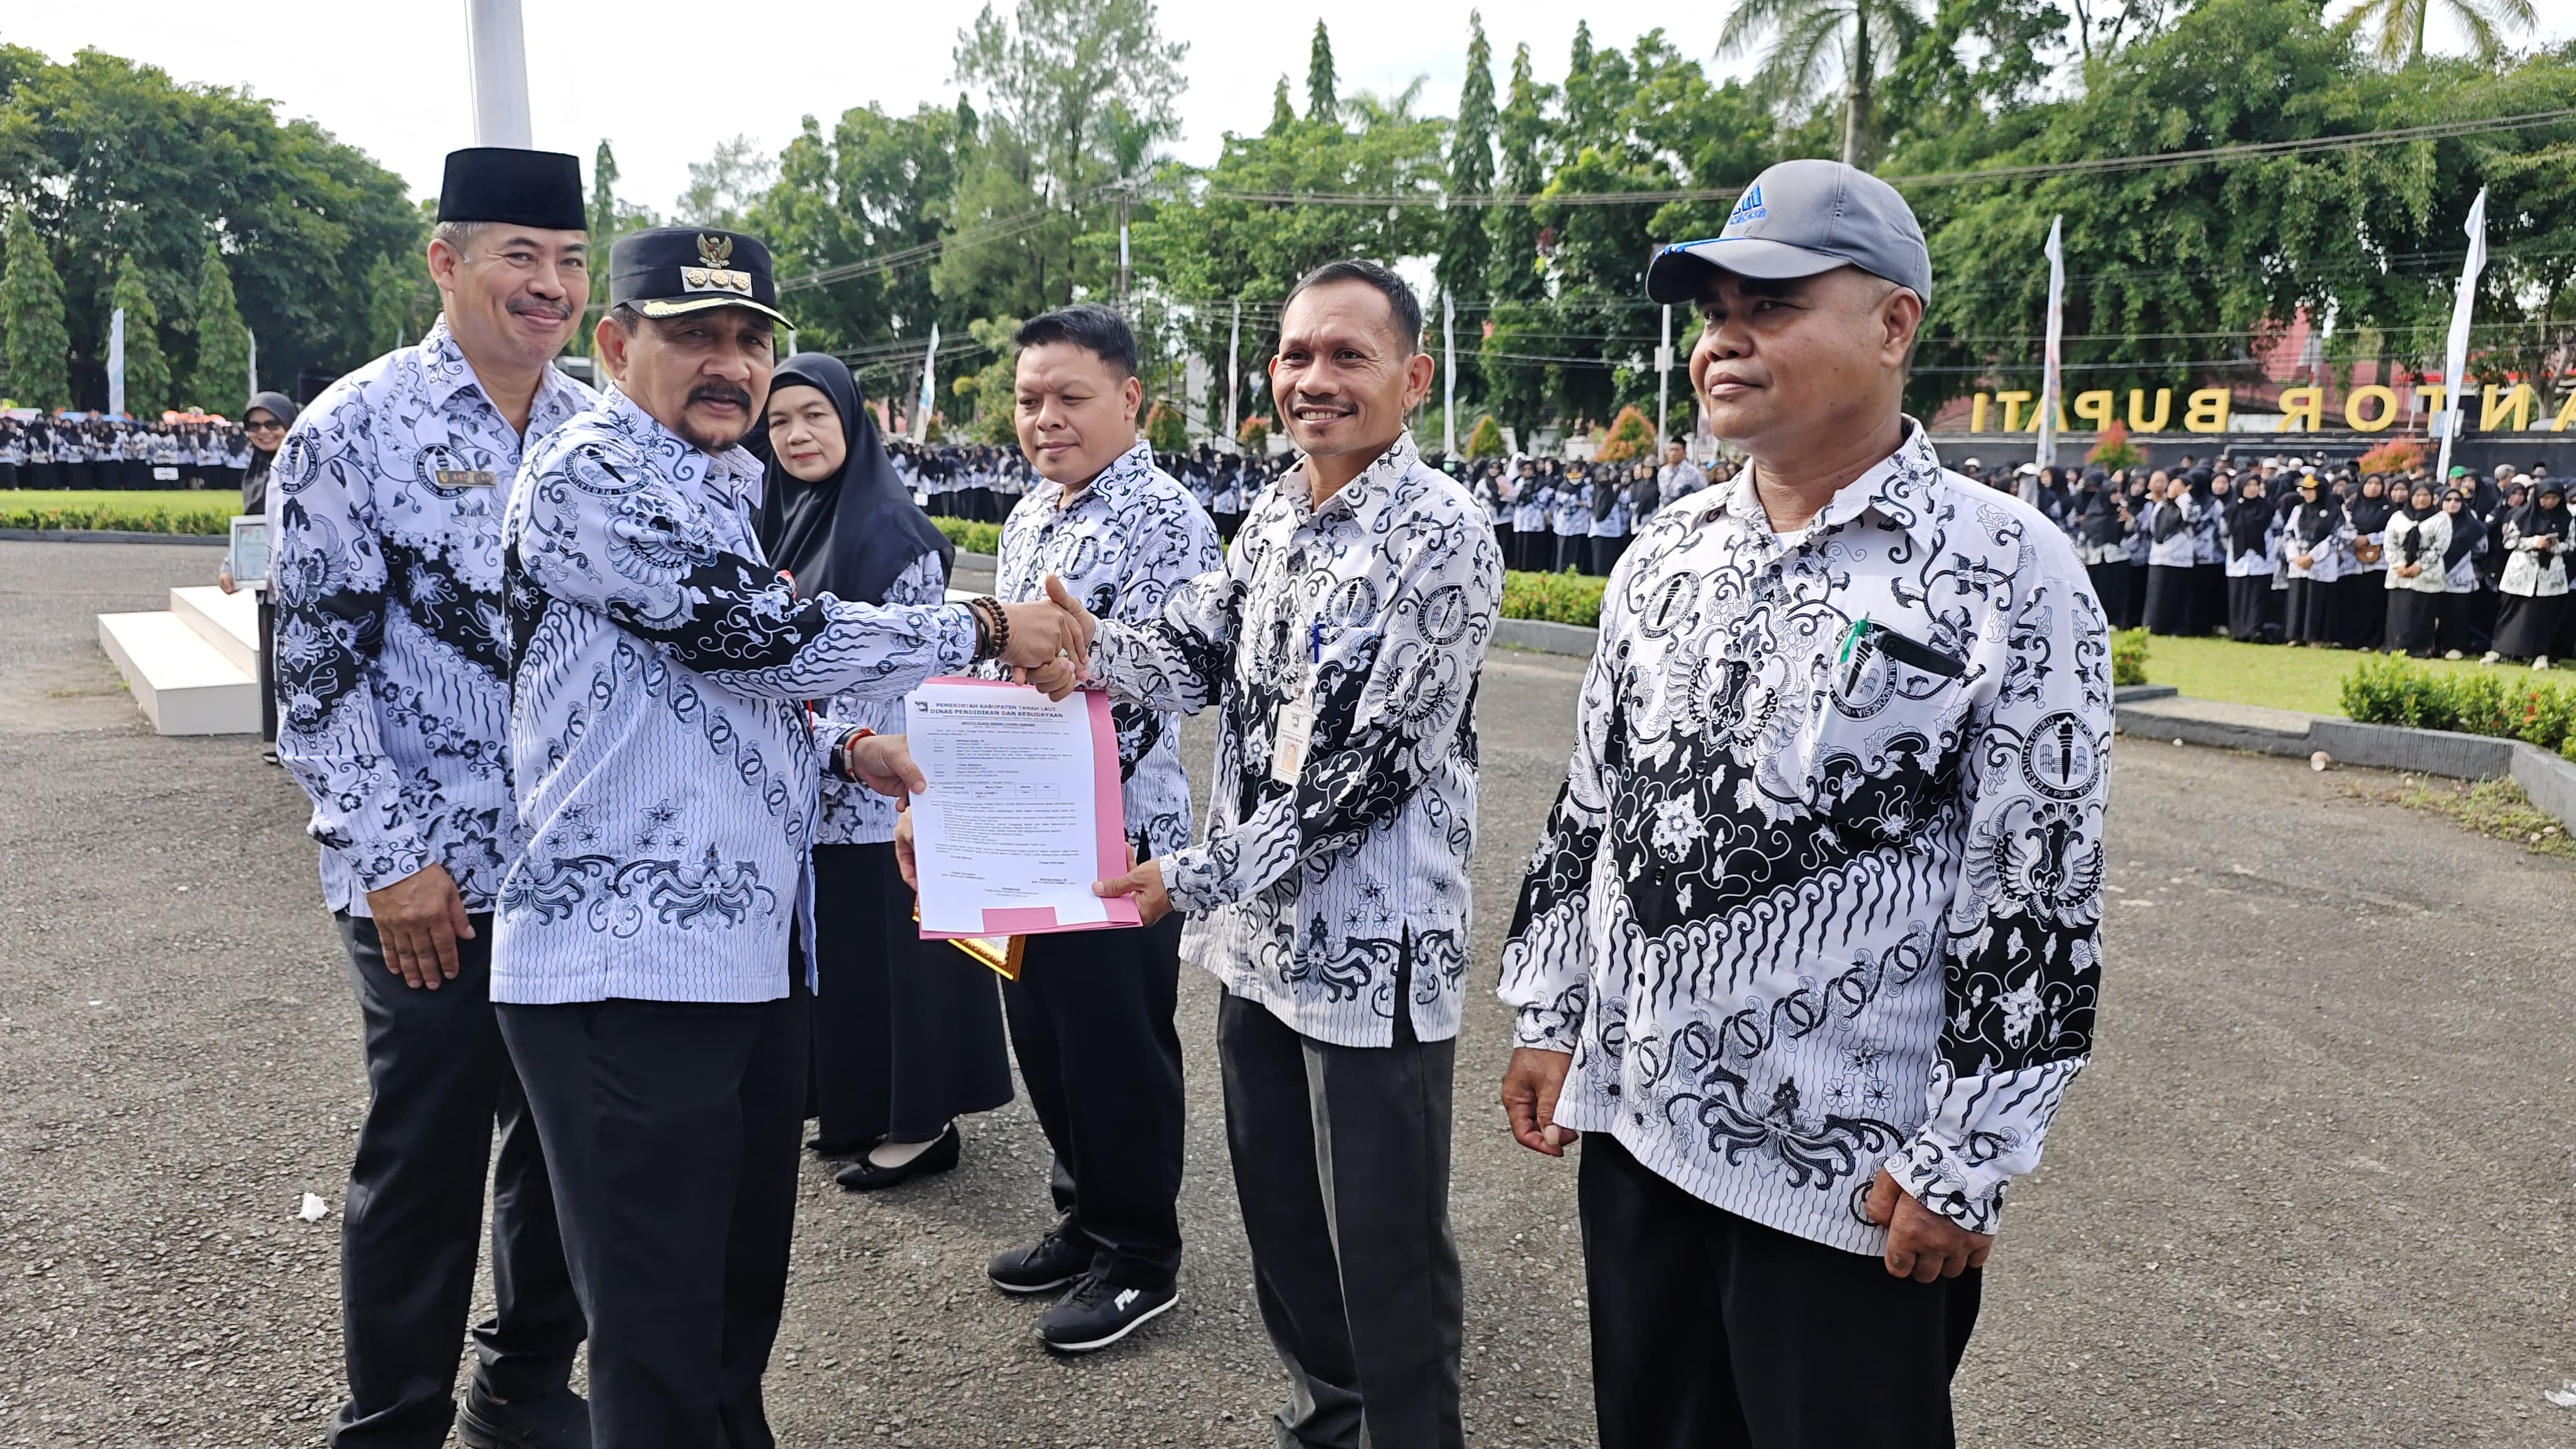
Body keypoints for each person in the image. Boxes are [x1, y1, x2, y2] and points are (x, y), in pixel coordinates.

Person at [1501, 158, 2109, 1449]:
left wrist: (1968, 1156)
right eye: (1712, 306)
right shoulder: (1664, 554)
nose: (1724, 335)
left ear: (1893, 324)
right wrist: (1551, 1012)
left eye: (1771, 303)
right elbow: (1591, 805)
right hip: (1638, 1128)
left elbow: (2036, 884)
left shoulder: (2005, 569)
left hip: (1855, 1179)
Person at [491, 225, 1087, 1449]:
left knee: (727, 1324)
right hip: (621, 969)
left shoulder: (723, 482)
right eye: (691, 335)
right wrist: (987, 629)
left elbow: (702, 690)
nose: (727, 366)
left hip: (744, 965)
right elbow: (751, 636)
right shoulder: (587, 472)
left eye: (747, 341)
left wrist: (841, 752)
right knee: (655, 1351)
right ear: (614, 346)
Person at [1067, 259, 1502, 1449]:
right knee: (1285, 1224)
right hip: (1258, 945)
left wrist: (1187, 874)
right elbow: (1194, 652)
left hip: (1373, 958)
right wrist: (1080, 649)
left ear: (1412, 378)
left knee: (1385, 1245)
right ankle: (1329, 1417)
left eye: (1347, 357)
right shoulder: (1273, 511)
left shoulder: (1442, 534)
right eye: (1297, 355)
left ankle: (1408, 1434)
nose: (1316, 379)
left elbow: (1368, 775)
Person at [266, 147, 596, 1449]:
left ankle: (521, 1384)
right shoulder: (354, 428)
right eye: (520, 255)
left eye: (569, 261)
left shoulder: (591, 433)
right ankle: (391, 1420)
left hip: (576, 866)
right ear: (445, 260)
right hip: (428, 879)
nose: (549, 285)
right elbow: (316, 679)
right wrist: (393, 864)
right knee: (425, 1154)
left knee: (563, 1149)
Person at [947, 303, 1220, 1352]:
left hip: (1117, 842)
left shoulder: (1168, 519)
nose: (1044, 418)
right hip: (1018, 831)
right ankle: (1084, 1218)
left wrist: (1068, 688)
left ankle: (1142, 1254)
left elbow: (1170, 677)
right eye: (1028, 400)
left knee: (1117, 1050)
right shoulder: (1029, 515)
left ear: (1130, 399)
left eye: (1069, 396)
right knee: (1049, 1044)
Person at [750, 352, 1014, 1189]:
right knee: (843, 959)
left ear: (851, 423)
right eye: (779, 420)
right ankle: (854, 1106)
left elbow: (901, 673)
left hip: (887, 785)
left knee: (900, 965)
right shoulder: (779, 518)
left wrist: (819, 722)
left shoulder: (891, 530)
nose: (795, 435)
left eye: (814, 417)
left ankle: (921, 1123)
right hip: (814, 786)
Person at [217, 391, 299, 761]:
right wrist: (232, 565)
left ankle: (304, 744)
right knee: (274, 661)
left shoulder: (300, 466)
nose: (263, 432)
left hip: (297, 583)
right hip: (265, 586)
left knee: (298, 662)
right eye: (254, 426)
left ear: (290, 425)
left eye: (272, 424)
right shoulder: (257, 470)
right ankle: (284, 740)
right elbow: (252, 526)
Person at [2487, 477, 2569, 667]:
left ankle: (2540, 655)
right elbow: (2508, 542)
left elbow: (2571, 545)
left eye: (2554, 498)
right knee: (2511, 612)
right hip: (2521, 573)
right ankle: (2500, 650)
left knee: (2543, 615)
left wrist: (2554, 547)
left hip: (2549, 575)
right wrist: (2533, 542)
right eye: (2546, 498)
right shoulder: (2522, 516)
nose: (2549, 502)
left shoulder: (2566, 520)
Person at [2382, 480, 2448, 658]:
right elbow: (2390, 543)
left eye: (2425, 495)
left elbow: (2440, 546)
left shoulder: (2441, 518)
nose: (2421, 499)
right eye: (2417, 495)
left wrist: (2419, 565)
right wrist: (2399, 564)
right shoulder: (2398, 517)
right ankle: (2395, 647)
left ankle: (2419, 649)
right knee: (2399, 612)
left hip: (2427, 573)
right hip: (2400, 573)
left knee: (2421, 613)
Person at [2283, 475, 2344, 647]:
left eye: (2311, 490)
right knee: (2298, 597)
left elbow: (2335, 536)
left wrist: (2312, 556)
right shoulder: (2299, 510)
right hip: (2298, 561)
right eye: (2305, 490)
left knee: (2317, 599)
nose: (2307, 494)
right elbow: (2288, 534)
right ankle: (2296, 635)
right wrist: (2296, 556)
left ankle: (2316, 637)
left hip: (2321, 562)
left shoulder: (2334, 511)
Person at [2223, 471, 2277, 643]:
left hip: (2261, 558)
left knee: (2257, 597)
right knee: (2239, 595)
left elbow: (2277, 529)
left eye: (2256, 486)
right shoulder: (2232, 509)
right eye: (2248, 486)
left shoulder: (2268, 508)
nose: (2252, 489)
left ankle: (2255, 630)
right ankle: (2239, 630)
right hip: (2238, 559)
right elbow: (2224, 533)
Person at [2143, 469, 2198, 635]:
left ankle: (2177, 628)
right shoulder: (2161, 505)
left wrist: (2184, 498)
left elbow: (2190, 518)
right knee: (2158, 594)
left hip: (2180, 557)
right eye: (2172, 485)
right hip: (2160, 556)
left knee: (2177, 595)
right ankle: (2155, 626)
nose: (2174, 488)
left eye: (2178, 486)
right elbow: (2153, 528)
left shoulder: (2189, 504)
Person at [2436, 487, 2486, 658]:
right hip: (2434, 575)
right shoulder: (2432, 522)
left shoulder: (2472, 525)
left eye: (2457, 500)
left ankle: (2455, 646)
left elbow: (2481, 550)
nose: (2452, 504)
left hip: (2461, 576)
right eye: (2448, 500)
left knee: (2458, 613)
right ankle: (2435, 646)